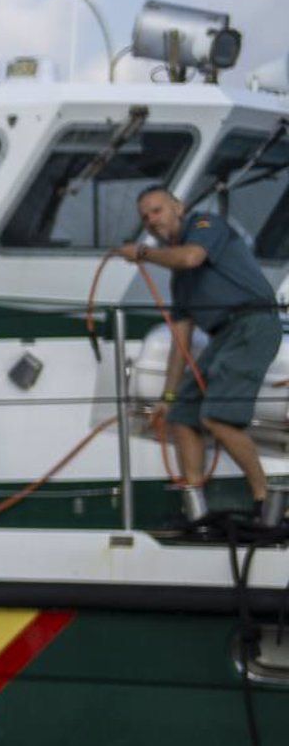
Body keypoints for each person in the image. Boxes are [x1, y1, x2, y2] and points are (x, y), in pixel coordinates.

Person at [120, 186, 284, 520]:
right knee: (182, 416)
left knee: (217, 418)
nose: (151, 220)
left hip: (253, 324)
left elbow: (191, 256)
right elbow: (181, 344)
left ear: (178, 208)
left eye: (157, 210)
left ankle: (264, 502)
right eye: (145, 217)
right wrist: (167, 396)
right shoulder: (180, 283)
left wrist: (141, 252)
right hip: (224, 336)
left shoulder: (206, 225)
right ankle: (197, 512)